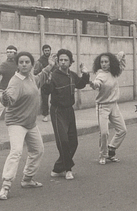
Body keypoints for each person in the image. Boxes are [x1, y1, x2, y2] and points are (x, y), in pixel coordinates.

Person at [0, 51, 56, 200]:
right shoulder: (15, 81)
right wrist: (5, 99)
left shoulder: (30, 77)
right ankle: (6, 185)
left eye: (27, 62)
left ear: (31, 64)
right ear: (17, 65)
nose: (24, 64)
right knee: (16, 151)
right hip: (16, 122)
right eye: (21, 62)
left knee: (38, 150)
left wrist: (50, 66)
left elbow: (39, 78)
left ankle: (28, 179)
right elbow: (9, 98)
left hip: (30, 122)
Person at [44, 49, 90, 180]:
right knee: (63, 141)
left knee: (73, 142)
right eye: (61, 60)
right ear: (57, 61)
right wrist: (47, 80)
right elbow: (46, 91)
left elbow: (80, 84)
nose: (63, 62)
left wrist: (85, 74)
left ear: (70, 62)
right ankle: (68, 169)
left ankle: (58, 168)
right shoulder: (54, 75)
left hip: (69, 111)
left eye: (66, 60)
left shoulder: (72, 75)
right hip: (57, 111)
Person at [89, 51, 127, 165]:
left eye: (106, 62)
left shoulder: (114, 72)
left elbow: (122, 64)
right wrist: (92, 83)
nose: (104, 64)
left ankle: (111, 149)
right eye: (101, 62)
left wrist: (122, 55)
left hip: (114, 105)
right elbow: (97, 84)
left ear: (110, 63)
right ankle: (103, 155)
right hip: (103, 107)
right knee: (104, 133)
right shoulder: (100, 75)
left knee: (122, 130)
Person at [33, 44, 52, 122]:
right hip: (44, 83)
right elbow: (35, 72)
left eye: (48, 50)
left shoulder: (53, 60)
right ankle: (45, 115)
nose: (47, 52)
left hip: (54, 82)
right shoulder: (39, 61)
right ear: (43, 51)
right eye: (45, 51)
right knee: (45, 99)